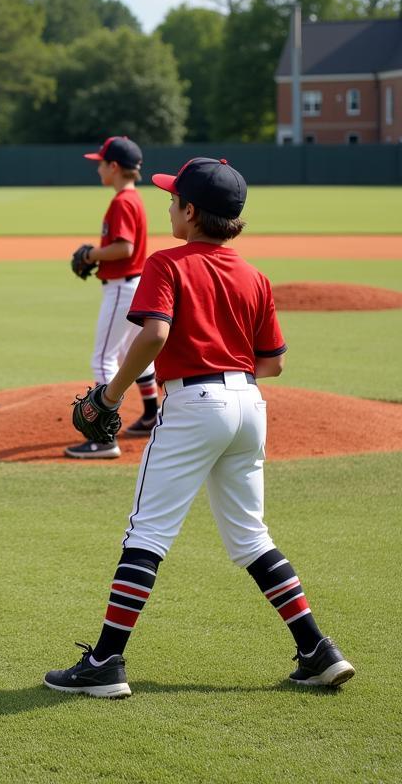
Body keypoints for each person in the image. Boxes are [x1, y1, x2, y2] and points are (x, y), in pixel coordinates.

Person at [45, 158, 354, 698]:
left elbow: (154, 336)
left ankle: (106, 663)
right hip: (249, 404)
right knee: (252, 538)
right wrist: (228, 373)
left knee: (147, 533)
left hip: (194, 405)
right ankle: (318, 650)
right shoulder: (254, 275)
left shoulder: (167, 264)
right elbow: (273, 363)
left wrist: (109, 394)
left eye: (172, 199)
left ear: (190, 211)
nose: (167, 205)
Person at [65, 136, 159, 459]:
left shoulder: (122, 201)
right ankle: (150, 414)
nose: (98, 169)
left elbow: (124, 248)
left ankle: (103, 436)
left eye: (101, 163)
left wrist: (92, 254)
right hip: (133, 286)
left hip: (121, 287)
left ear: (114, 166)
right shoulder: (133, 198)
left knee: (102, 358)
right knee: (127, 355)